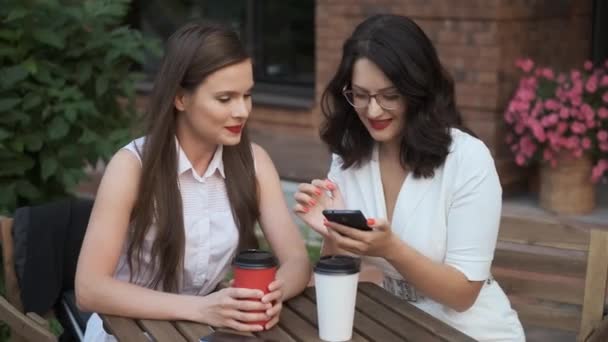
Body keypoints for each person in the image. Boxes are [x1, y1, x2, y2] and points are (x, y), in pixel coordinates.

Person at [294, 14, 525, 341]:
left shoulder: (467, 159)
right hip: (392, 323)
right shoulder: (350, 157)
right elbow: (338, 272)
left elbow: (463, 295)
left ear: (418, 91)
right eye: (360, 95)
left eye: (389, 96)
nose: (373, 111)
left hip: (468, 330)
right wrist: (333, 233)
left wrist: (391, 249)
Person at [75, 22, 311, 341]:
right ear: (180, 98)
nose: (242, 111)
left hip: (203, 332)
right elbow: (89, 289)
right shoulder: (132, 167)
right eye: (225, 98)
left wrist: (268, 295)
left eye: (247, 95)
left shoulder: (254, 163)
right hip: (126, 333)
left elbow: (297, 260)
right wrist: (200, 308)